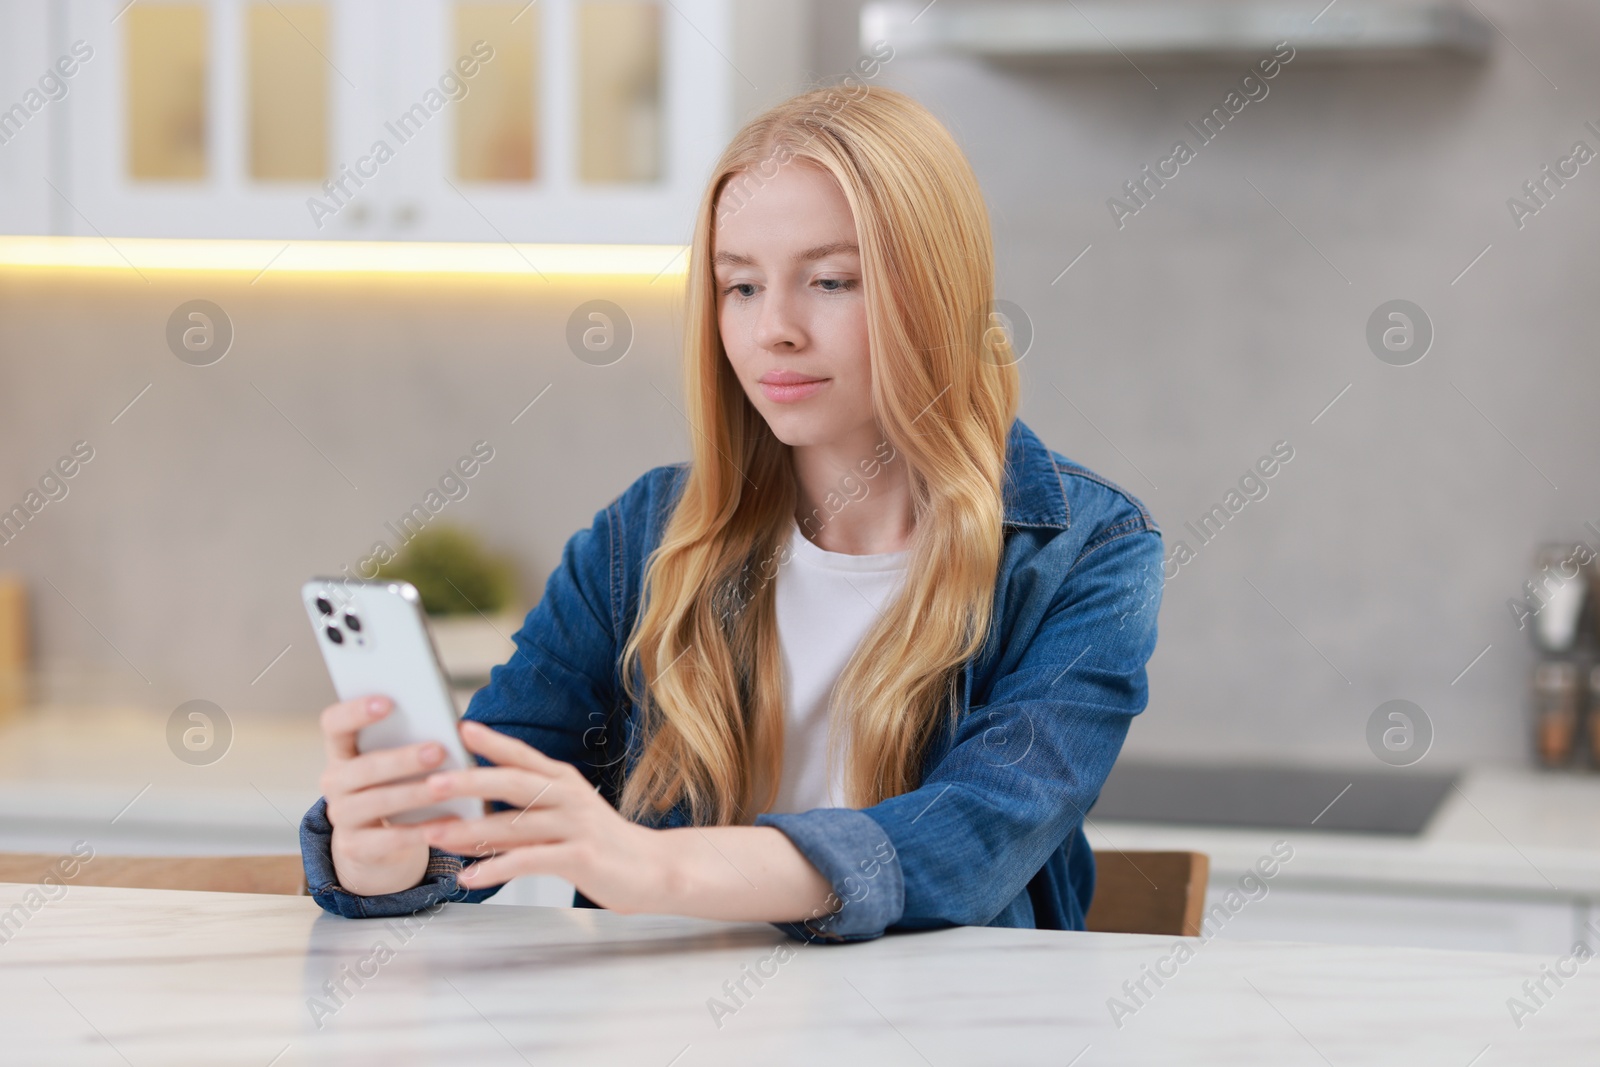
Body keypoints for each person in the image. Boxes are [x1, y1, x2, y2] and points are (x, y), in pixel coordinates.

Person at [300, 85, 1163, 943]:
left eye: (829, 280)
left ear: (936, 293)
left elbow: (973, 833)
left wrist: (653, 866)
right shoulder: (642, 536)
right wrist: (394, 855)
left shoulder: (1089, 554)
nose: (773, 330)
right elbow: (500, 781)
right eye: (739, 287)